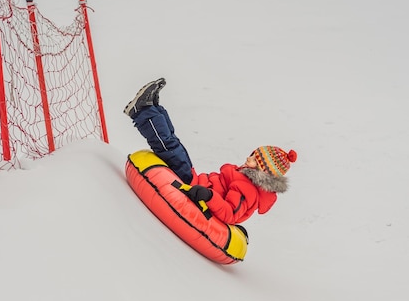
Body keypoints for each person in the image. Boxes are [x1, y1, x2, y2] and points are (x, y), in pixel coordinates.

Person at [124, 78, 297, 225]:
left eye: (253, 160)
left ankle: (142, 111)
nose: (248, 158)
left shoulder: (248, 190)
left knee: (170, 147)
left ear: (262, 171)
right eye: (252, 155)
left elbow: (229, 213)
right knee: (174, 144)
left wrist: (208, 196)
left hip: (191, 187)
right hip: (194, 180)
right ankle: (153, 107)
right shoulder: (245, 178)